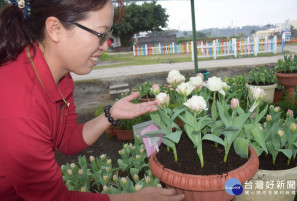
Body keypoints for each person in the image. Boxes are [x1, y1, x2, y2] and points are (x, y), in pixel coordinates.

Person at [0, 1, 185, 201]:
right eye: (100, 34)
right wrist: (135, 198)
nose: (106, 45)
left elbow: (66, 140)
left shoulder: (61, 78)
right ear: (55, 29)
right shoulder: (19, 108)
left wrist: (111, 114)